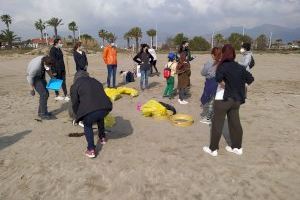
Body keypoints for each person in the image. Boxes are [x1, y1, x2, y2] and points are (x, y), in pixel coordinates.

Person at [203, 44, 254, 157]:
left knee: (217, 124)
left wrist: (228, 86)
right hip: (236, 100)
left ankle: (213, 149)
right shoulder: (240, 67)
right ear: (234, 54)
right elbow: (250, 79)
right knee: (235, 123)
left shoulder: (223, 66)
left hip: (223, 99)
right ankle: (237, 147)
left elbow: (218, 79)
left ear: (223, 54)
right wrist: (238, 85)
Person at [70, 71, 113, 158]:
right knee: (99, 117)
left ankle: (91, 149)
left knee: (88, 124)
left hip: (91, 110)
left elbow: (74, 103)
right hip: (106, 107)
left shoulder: (75, 85)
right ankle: (102, 137)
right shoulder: (95, 81)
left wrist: (77, 115)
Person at [199, 47, 221, 124]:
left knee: (209, 100)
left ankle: (208, 118)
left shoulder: (209, 63)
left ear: (212, 55)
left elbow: (203, 73)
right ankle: (211, 116)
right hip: (220, 84)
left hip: (211, 83)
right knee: (214, 100)